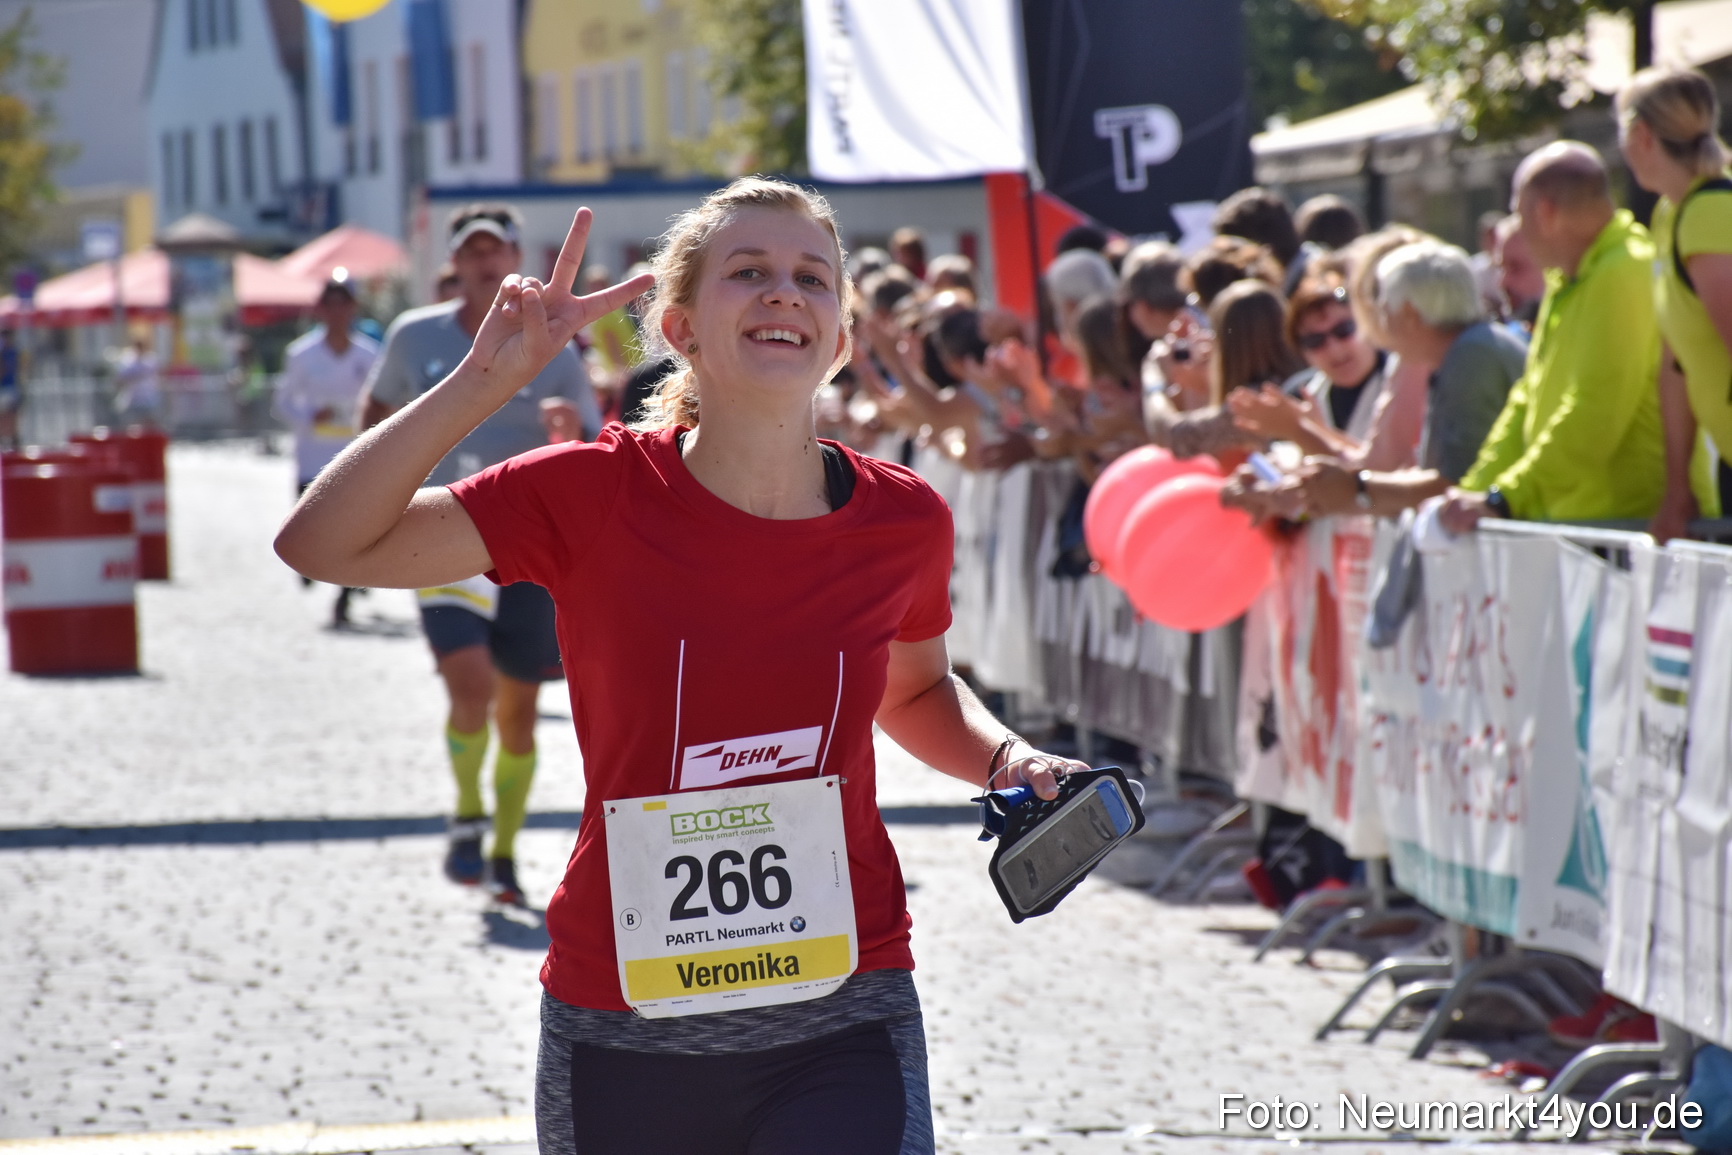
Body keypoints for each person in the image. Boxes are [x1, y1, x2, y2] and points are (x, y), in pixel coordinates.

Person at [276, 178, 1086, 1154]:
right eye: (748, 273)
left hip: (843, 1009)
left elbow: (913, 691)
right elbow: (323, 544)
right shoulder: (589, 494)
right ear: (679, 327)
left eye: (810, 278)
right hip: (624, 1018)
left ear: (838, 338)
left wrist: (1011, 761)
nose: (783, 292)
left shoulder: (904, 519)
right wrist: (483, 383)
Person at [358, 203, 605, 907]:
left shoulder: (556, 341)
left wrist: (566, 434)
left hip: (528, 545)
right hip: (442, 537)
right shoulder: (415, 336)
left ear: (517, 258)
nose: (486, 263)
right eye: (473, 252)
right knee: (469, 688)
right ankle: (468, 814)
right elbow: (373, 420)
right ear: (456, 264)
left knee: (518, 716)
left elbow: (588, 445)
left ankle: (502, 849)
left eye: (497, 251)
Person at [1438, 142, 1667, 530]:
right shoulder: (1568, 276)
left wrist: (1503, 498)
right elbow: (1528, 399)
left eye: (1517, 213)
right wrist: (1475, 491)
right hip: (1583, 532)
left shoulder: (1625, 270)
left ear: (1544, 213)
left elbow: (1594, 411)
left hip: (1627, 534)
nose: (1512, 229)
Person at [1282, 239, 1526, 517]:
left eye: (1383, 308)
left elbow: (1458, 487)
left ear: (1409, 314)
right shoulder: (1470, 349)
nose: (1377, 326)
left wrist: (1357, 489)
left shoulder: (1470, 356)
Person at [1618, 66, 1732, 542]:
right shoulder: (1672, 212)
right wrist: (1677, 488)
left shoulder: (1710, 211)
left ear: (1640, 134)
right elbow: (1676, 361)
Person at [273, 271, 380, 625]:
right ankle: (306, 565)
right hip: (312, 455)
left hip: (353, 454)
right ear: (320, 309)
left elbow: (381, 401)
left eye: (343, 304)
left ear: (353, 308)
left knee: (353, 527)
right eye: (329, 304)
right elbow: (284, 402)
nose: (336, 312)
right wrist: (308, 414)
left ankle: (344, 595)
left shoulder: (370, 354)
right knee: (309, 524)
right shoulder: (301, 354)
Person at [114, 337, 161, 427]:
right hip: (132, 398)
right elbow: (121, 376)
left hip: (148, 398)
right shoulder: (128, 360)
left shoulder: (150, 360)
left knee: (148, 423)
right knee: (131, 424)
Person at [0, 328, 19, 450]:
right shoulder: (5, 352)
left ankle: (12, 439)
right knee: (5, 415)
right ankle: (8, 439)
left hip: (9, 388)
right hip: (6, 389)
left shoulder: (11, 352)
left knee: (9, 415)